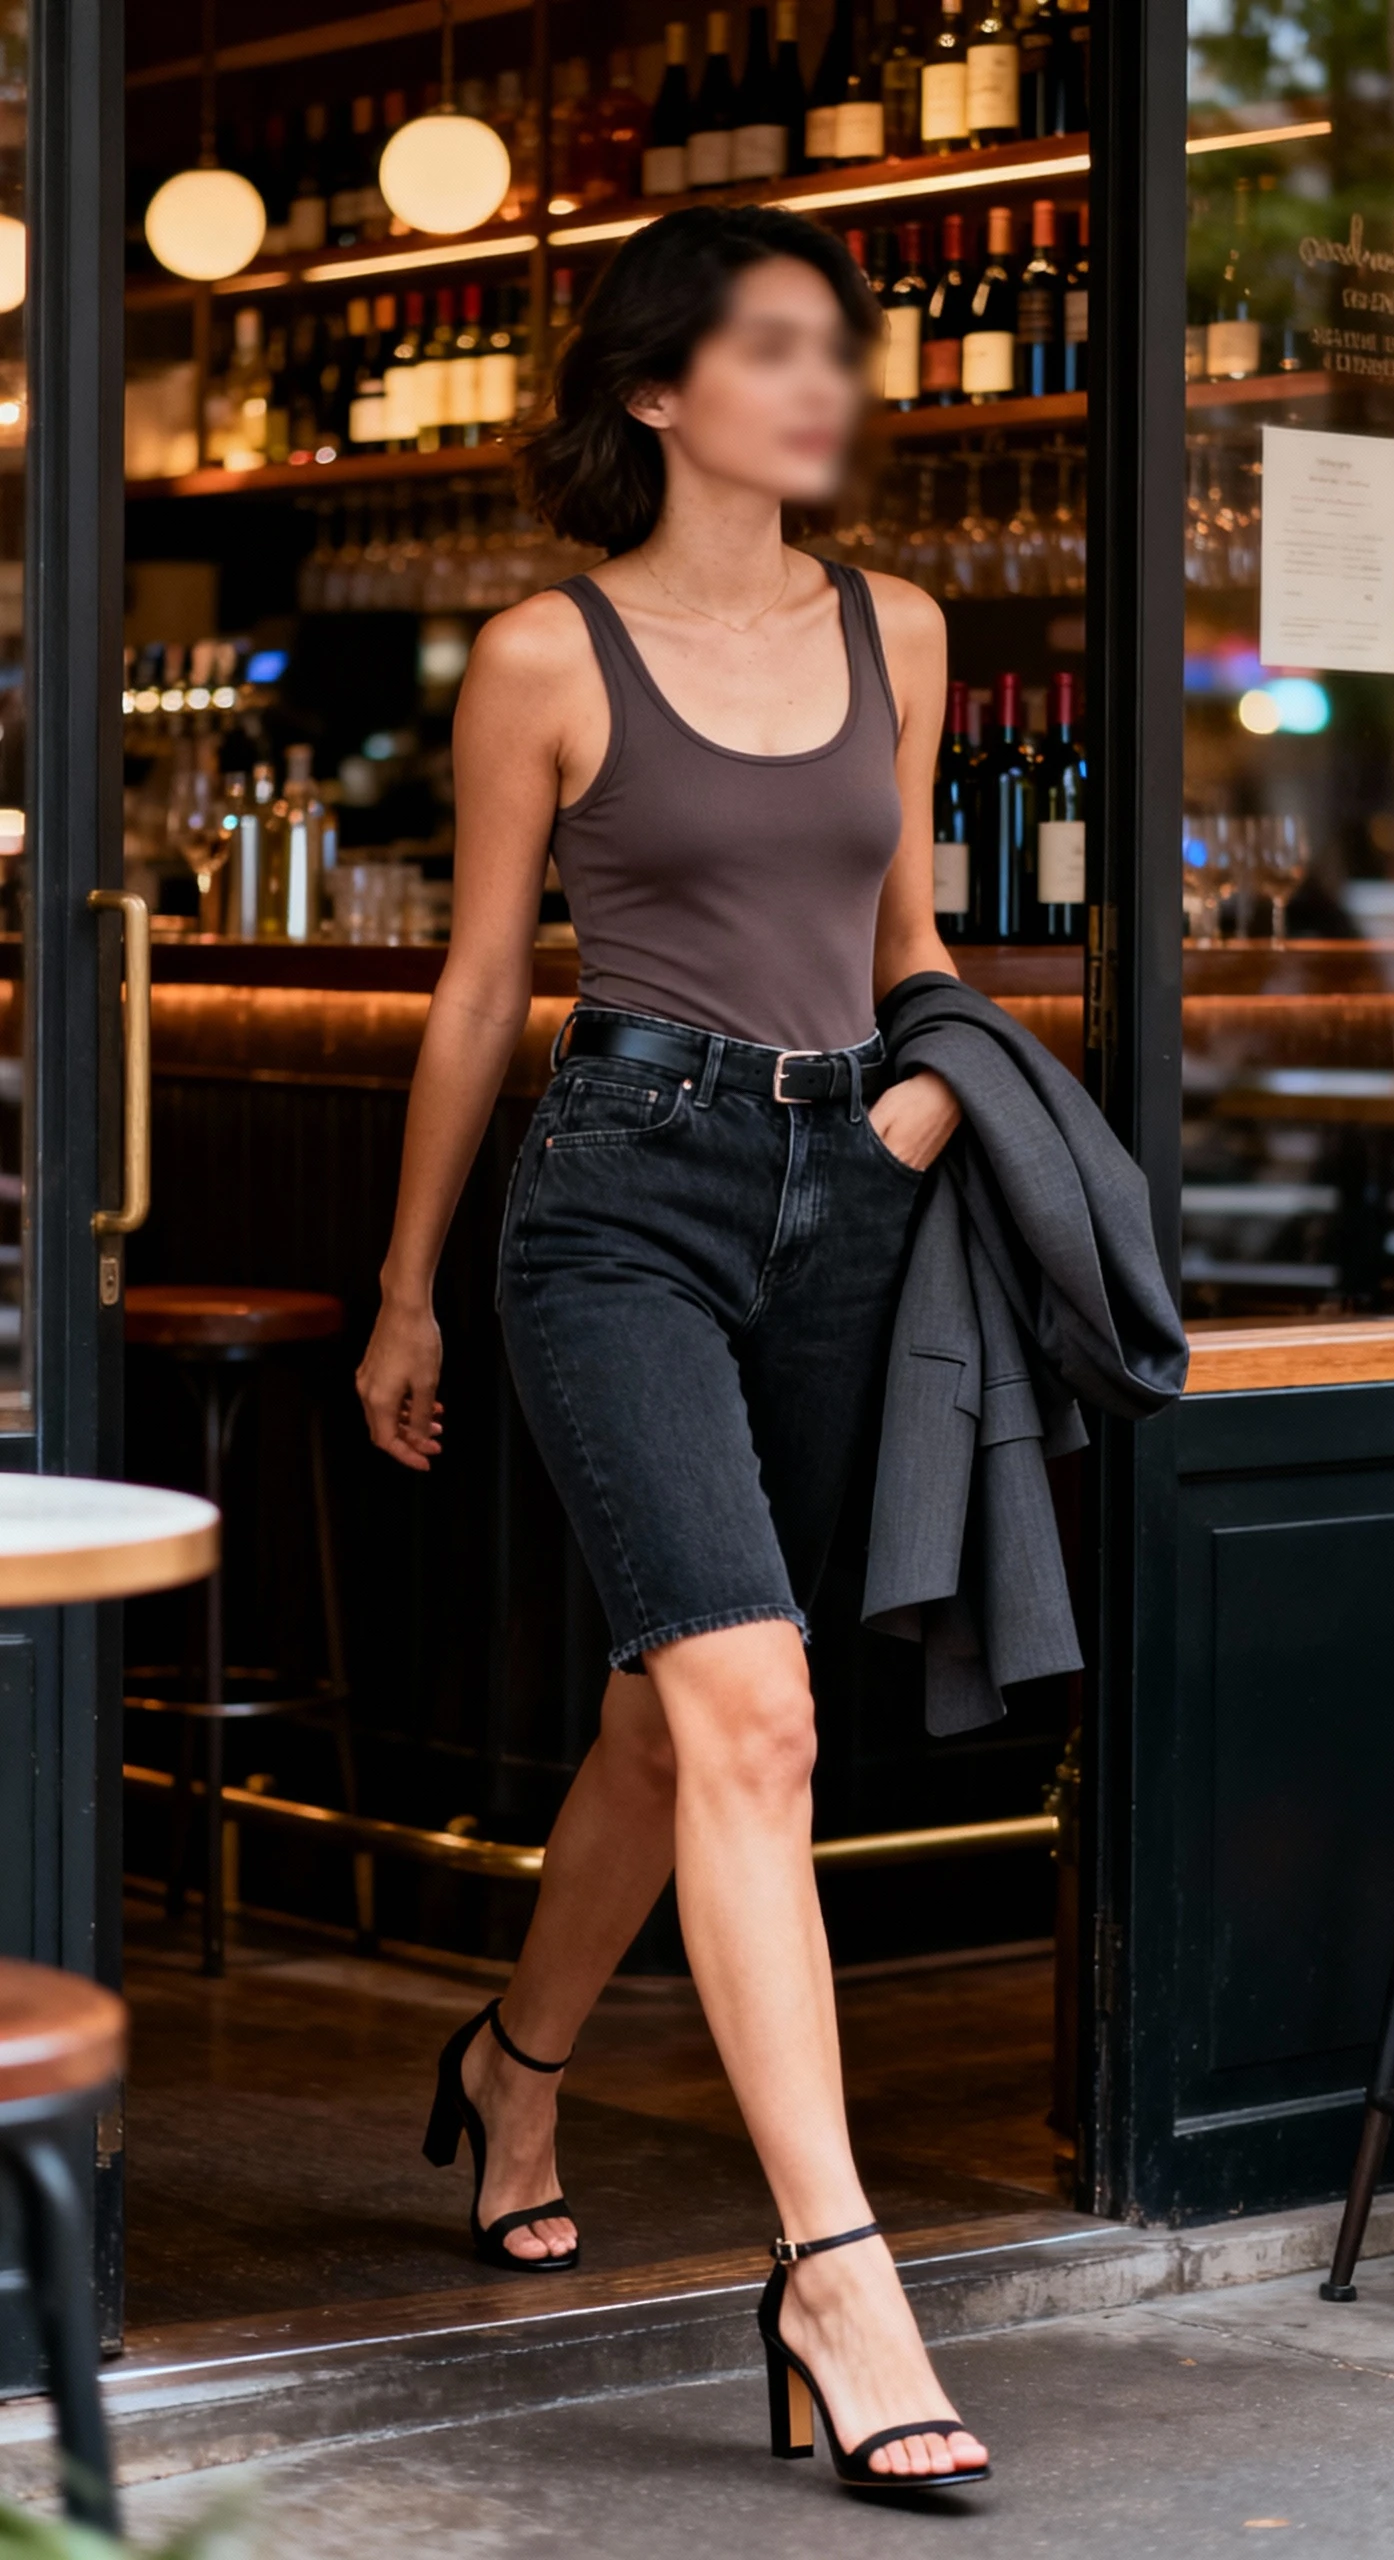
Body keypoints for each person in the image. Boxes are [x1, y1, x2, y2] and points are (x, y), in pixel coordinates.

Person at [356, 204, 989, 2493]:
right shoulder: (543, 651)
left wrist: (919, 1100)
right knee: (757, 1702)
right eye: (776, 346)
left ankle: (514, 2059)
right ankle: (836, 2269)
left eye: (843, 347)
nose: (829, 384)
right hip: (623, 1188)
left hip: (854, 1192)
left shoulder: (895, 625)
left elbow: (911, 931)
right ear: (657, 388)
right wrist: (412, 1283)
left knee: (670, 1711)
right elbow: (478, 985)